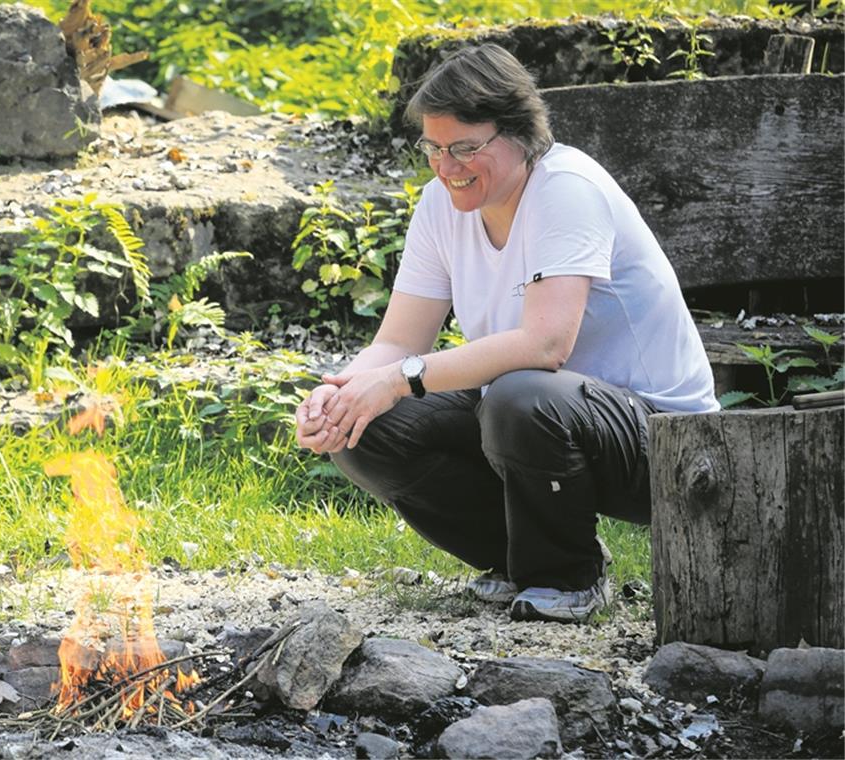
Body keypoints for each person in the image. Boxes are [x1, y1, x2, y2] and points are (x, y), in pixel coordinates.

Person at [294, 44, 716, 623]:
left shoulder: (566, 187)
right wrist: (342, 393)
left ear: (521, 134)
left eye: (466, 148)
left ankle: (567, 578)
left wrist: (398, 379)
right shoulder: (440, 205)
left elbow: (547, 346)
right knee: (365, 428)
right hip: (545, 417)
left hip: (663, 439)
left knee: (521, 394)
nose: (447, 167)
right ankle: (521, 558)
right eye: (434, 148)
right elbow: (398, 343)